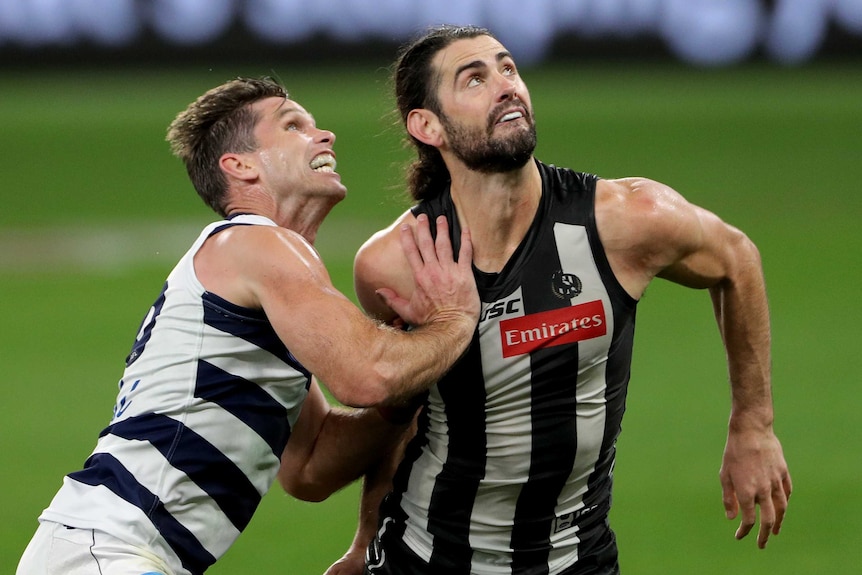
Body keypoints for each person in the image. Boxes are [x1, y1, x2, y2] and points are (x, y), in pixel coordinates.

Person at [326, 25, 793, 575]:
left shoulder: (625, 220)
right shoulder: (396, 263)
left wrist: (753, 425)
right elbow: (397, 416)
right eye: (474, 79)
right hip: (424, 557)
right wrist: (365, 539)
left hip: (577, 560)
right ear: (428, 126)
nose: (505, 86)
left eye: (507, 68)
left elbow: (736, 259)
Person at [16, 76, 480, 575]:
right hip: (109, 550)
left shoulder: (262, 278)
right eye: (293, 125)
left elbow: (310, 468)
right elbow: (366, 376)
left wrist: (405, 399)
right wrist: (454, 321)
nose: (324, 135)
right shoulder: (254, 244)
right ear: (240, 167)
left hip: (107, 550)